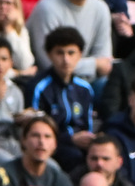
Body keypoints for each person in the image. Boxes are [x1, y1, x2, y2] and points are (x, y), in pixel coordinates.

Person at [27, 0, 114, 83]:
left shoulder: (101, 8)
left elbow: (105, 63)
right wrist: (94, 64)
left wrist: (92, 66)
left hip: (85, 80)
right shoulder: (47, 8)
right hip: (49, 81)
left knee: (105, 82)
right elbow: (49, 63)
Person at [31, 26, 98, 175]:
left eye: (71, 53)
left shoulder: (85, 89)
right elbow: (35, 130)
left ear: (80, 55)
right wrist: (70, 139)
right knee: (75, 158)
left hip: (81, 145)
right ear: (49, 54)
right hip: (53, 147)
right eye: (60, 53)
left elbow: (87, 126)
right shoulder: (39, 87)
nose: (66, 59)